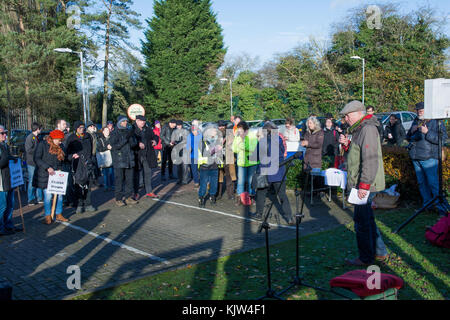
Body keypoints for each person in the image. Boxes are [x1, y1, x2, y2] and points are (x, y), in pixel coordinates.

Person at [338, 100, 388, 266]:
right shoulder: (361, 128)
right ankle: (380, 252)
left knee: (361, 222)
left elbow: (370, 159)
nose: (346, 119)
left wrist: (364, 186)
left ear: (359, 113)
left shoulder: (366, 128)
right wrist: (347, 145)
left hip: (365, 183)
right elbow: (358, 152)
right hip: (364, 182)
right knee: (367, 219)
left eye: (348, 115)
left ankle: (366, 258)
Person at [406, 102, 448, 217]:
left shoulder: (435, 121)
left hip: (430, 158)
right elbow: (408, 137)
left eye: (421, 110)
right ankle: (427, 206)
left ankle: (443, 210)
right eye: (418, 110)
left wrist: (427, 132)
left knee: (434, 184)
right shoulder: (416, 120)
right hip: (416, 157)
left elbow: (443, 139)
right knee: (422, 184)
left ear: (427, 110)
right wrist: (411, 131)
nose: (419, 111)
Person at [255, 122, 295, 225]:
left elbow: (256, 156)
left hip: (266, 171)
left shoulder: (262, 141)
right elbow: (283, 153)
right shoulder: (279, 140)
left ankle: (259, 214)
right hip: (278, 170)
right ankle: (289, 217)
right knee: (282, 195)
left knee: (261, 193)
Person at [33, 130, 69, 224]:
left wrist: (70, 157)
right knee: (48, 196)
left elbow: (63, 159)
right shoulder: (42, 145)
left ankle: (59, 213)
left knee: (60, 196)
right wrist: (47, 167)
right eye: (59, 140)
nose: (60, 142)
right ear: (53, 138)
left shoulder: (61, 146)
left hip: (57, 174)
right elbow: (36, 158)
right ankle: (48, 216)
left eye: (61, 140)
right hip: (45, 175)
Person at [66, 121, 96, 213]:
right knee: (78, 185)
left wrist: (90, 160)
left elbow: (91, 150)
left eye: (83, 127)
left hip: (88, 163)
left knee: (88, 185)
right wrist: (72, 157)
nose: (82, 129)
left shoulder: (88, 136)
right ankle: (79, 204)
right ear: (76, 128)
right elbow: (67, 153)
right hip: (77, 165)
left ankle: (88, 204)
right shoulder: (71, 138)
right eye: (80, 128)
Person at [110, 115, 138, 207]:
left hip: (129, 159)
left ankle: (129, 197)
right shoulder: (114, 133)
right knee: (119, 180)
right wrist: (126, 138)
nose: (126, 123)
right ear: (119, 123)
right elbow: (115, 146)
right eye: (124, 121)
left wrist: (132, 137)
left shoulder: (128, 131)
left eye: (126, 121)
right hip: (119, 160)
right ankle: (118, 199)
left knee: (129, 180)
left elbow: (134, 144)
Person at [0, 125, 21, 236]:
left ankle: (8, 225)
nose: (5, 135)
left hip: (9, 179)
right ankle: (1, 227)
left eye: (5, 133)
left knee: (10, 204)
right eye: (2, 133)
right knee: (2, 205)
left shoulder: (5, 146)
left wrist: (13, 159)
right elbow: (2, 162)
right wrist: (8, 158)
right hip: (1, 182)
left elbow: (6, 158)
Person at [232, 121, 259, 205]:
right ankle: (239, 198)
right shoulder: (237, 137)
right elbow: (234, 149)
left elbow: (252, 148)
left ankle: (251, 198)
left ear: (246, 130)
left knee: (251, 181)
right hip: (241, 163)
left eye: (240, 130)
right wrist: (240, 142)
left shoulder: (252, 136)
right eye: (238, 130)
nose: (239, 132)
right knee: (240, 181)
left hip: (252, 163)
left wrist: (242, 144)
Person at [134, 115, 159, 198]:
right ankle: (136, 193)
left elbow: (155, 136)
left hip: (147, 155)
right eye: (141, 121)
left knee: (148, 173)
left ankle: (149, 191)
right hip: (137, 155)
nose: (143, 122)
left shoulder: (147, 129)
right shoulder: (132, 129)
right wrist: (137, 143)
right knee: (137, 175)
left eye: (144, 121)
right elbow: (129, 140)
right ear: (137, 121)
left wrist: (155, 140)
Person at [197, 127, 223, 207]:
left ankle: (212, 197)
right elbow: (205, 154)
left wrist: (220, 162)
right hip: (204, 167)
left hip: (214, 166)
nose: (215, 135)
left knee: (214, 184)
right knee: (203, 184)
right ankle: (201, 198)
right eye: (213, 133)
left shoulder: (216, 142)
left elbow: (219, 155)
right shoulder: (201, 143)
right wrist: (215, 150)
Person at [25, 122, 43, 206]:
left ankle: (39, 197)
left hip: (36, 162)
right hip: (31, 162)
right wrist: (37, 149)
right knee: (32, 180)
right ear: (37, 129)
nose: (41, 130)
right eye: (40, 128)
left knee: (38, 179)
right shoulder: (29, 138)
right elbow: (28, 150)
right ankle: (30, 199)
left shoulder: (37, 137)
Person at [217, 120, 236, 200]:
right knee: (219, 178)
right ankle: (218, 194)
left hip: (229, 158)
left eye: (223, 126)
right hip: (218, 159)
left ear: (225, 127)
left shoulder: (230, 135)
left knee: (230, 177)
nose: (221, 127)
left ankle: (230, 194)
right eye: (220, 126)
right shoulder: (215, 135)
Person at [172, 120, 190, 185]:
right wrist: (173, 142)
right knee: (178, 166)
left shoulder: (186, 131)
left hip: (185, 150)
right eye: (177, 125)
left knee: (185, 166)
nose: (178, 126)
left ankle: (185, 180)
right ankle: (180, 179)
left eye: (180, 125)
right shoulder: (174, 131)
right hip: (177, 150)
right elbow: (173, 140)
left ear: (182, 125)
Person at [97, 126, 115, 191]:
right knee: (105, 173)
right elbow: (99, 149)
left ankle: (112, 185)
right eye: (106, 130)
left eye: (108, 130)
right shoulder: (100, 139)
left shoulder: (112, 138)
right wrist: (107, 148)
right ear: (103, 131)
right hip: (104, 158)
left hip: (111, 158)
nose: (107, 132)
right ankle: (106, 186)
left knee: (111, 172)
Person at [187, 120, 203, 187]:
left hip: (200, 156)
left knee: (201, 169)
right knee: (194, 170)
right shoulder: (189, 136)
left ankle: (203, 181)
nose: (194, 132)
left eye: (195, 130)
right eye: (193, 131)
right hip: (193, 156)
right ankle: (196, 182)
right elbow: (188, 146)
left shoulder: (201, 135)